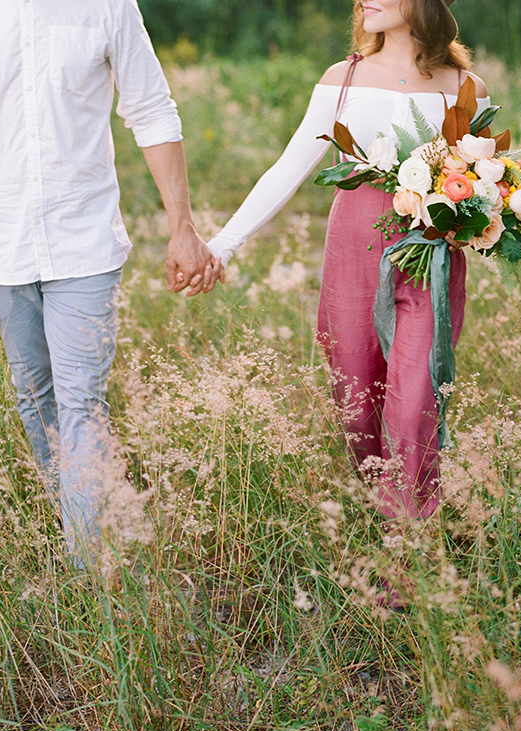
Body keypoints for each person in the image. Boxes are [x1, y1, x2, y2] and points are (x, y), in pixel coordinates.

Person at [0, 0, 223, 563]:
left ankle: (88, 567)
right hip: (0, 240)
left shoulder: (107, 5)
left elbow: (153, 111)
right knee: (33, 395)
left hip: (83, 237)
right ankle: (83, 519)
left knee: (82, 400)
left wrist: (183, 227)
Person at [208, 0, 488, 568]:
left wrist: (491, 210)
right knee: (358, 401)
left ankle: (405, 560)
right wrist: (222, 245)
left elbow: (482, 177)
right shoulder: (344, 80)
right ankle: (380, 507)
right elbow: (288, 168)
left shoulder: (465, 85)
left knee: (414, 404)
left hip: (430, 256)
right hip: (355, 252)